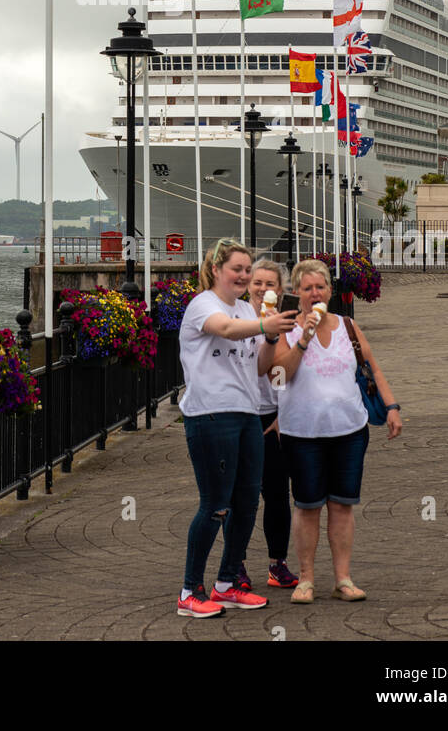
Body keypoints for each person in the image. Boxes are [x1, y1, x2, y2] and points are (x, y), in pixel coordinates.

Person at [177, 239, 297, 618]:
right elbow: (226, 330)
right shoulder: (204, 305)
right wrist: (265, 323)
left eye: (248, 270)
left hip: (247, 412)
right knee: (216, 504)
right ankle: (189, 591)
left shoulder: (246, 307)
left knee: (246, 502)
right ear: (216, 270)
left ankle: (227, 582)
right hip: (211, 414)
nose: (244, 276)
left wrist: (272, 336)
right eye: (238, 269)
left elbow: (260, 365)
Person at [270, 259, 402, 604]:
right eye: (308, 288)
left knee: (342, 505)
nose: (315, 293)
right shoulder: (284, 329)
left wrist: (391, 407)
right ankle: (306, 578)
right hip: (302, 433)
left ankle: (343, 578)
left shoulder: (348, 325)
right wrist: (304, 339)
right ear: (295, 292)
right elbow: (277, 376)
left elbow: (371, 367)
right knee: (307, 505)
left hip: (349, 429)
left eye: (321, 287)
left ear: (330, 290)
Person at [234, 260, 298, 591]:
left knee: (276, 494)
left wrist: (282, 413)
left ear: (281, 290)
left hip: (274, 414)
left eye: (270, 284)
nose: (262, 289)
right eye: (257, 283)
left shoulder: (289, 323)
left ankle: (278, 563)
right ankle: (236, 564)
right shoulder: (237, 317)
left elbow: (287, 374)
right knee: (241, 495)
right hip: (243, 414)